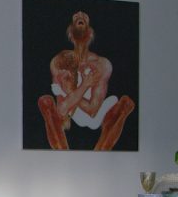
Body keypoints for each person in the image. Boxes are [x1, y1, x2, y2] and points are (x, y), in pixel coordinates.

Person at [37, 11, 135, 150]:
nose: (80, 14)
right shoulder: (59, 62)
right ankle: (62, 155)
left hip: (93, 115)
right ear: (70, 33)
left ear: (90, 33)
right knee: (45, 102)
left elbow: (92, 109)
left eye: (84, 18)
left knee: (125, 103)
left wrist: (71, 91)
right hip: (69, 116)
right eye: (76, 17)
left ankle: (100, 152)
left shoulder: (102, 64)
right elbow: (62, 111)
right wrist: (83, 85)